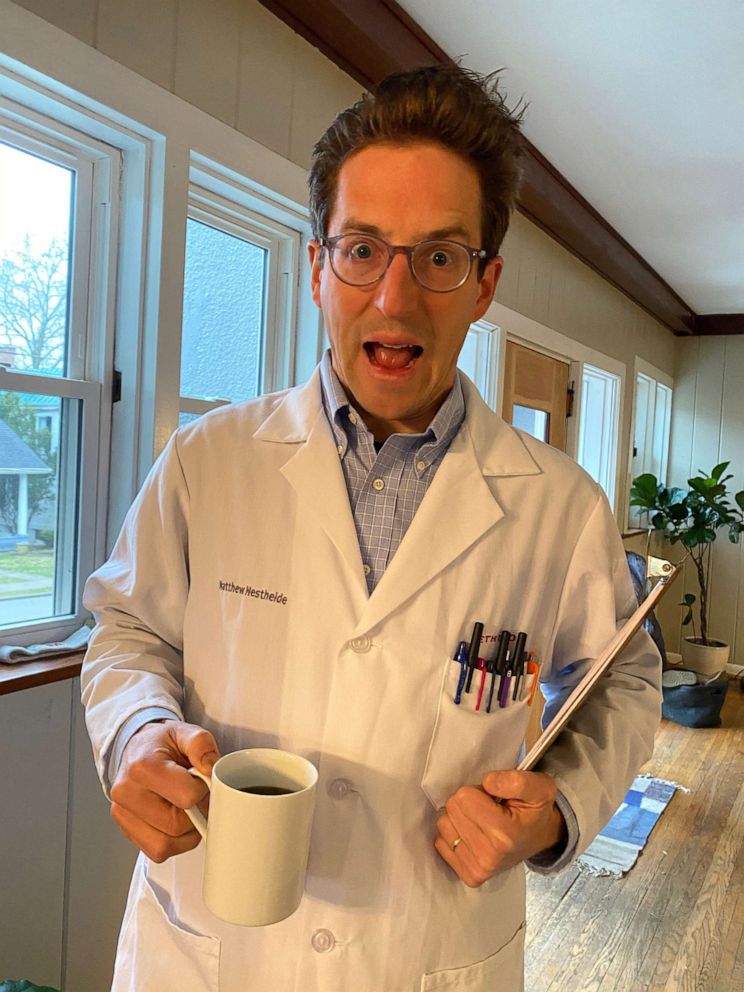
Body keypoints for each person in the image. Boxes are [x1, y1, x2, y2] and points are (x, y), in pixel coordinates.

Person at [81, 64, 661, 992]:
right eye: (362, 250)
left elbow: (622, 678)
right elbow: (128, 629)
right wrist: (138, 731)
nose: (396, 299)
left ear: (485, 283)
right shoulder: (207, 461)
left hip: (426, 952)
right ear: (317, 267)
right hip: (210, 952)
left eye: (440, 257)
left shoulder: (558, 505)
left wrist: (556, 815)